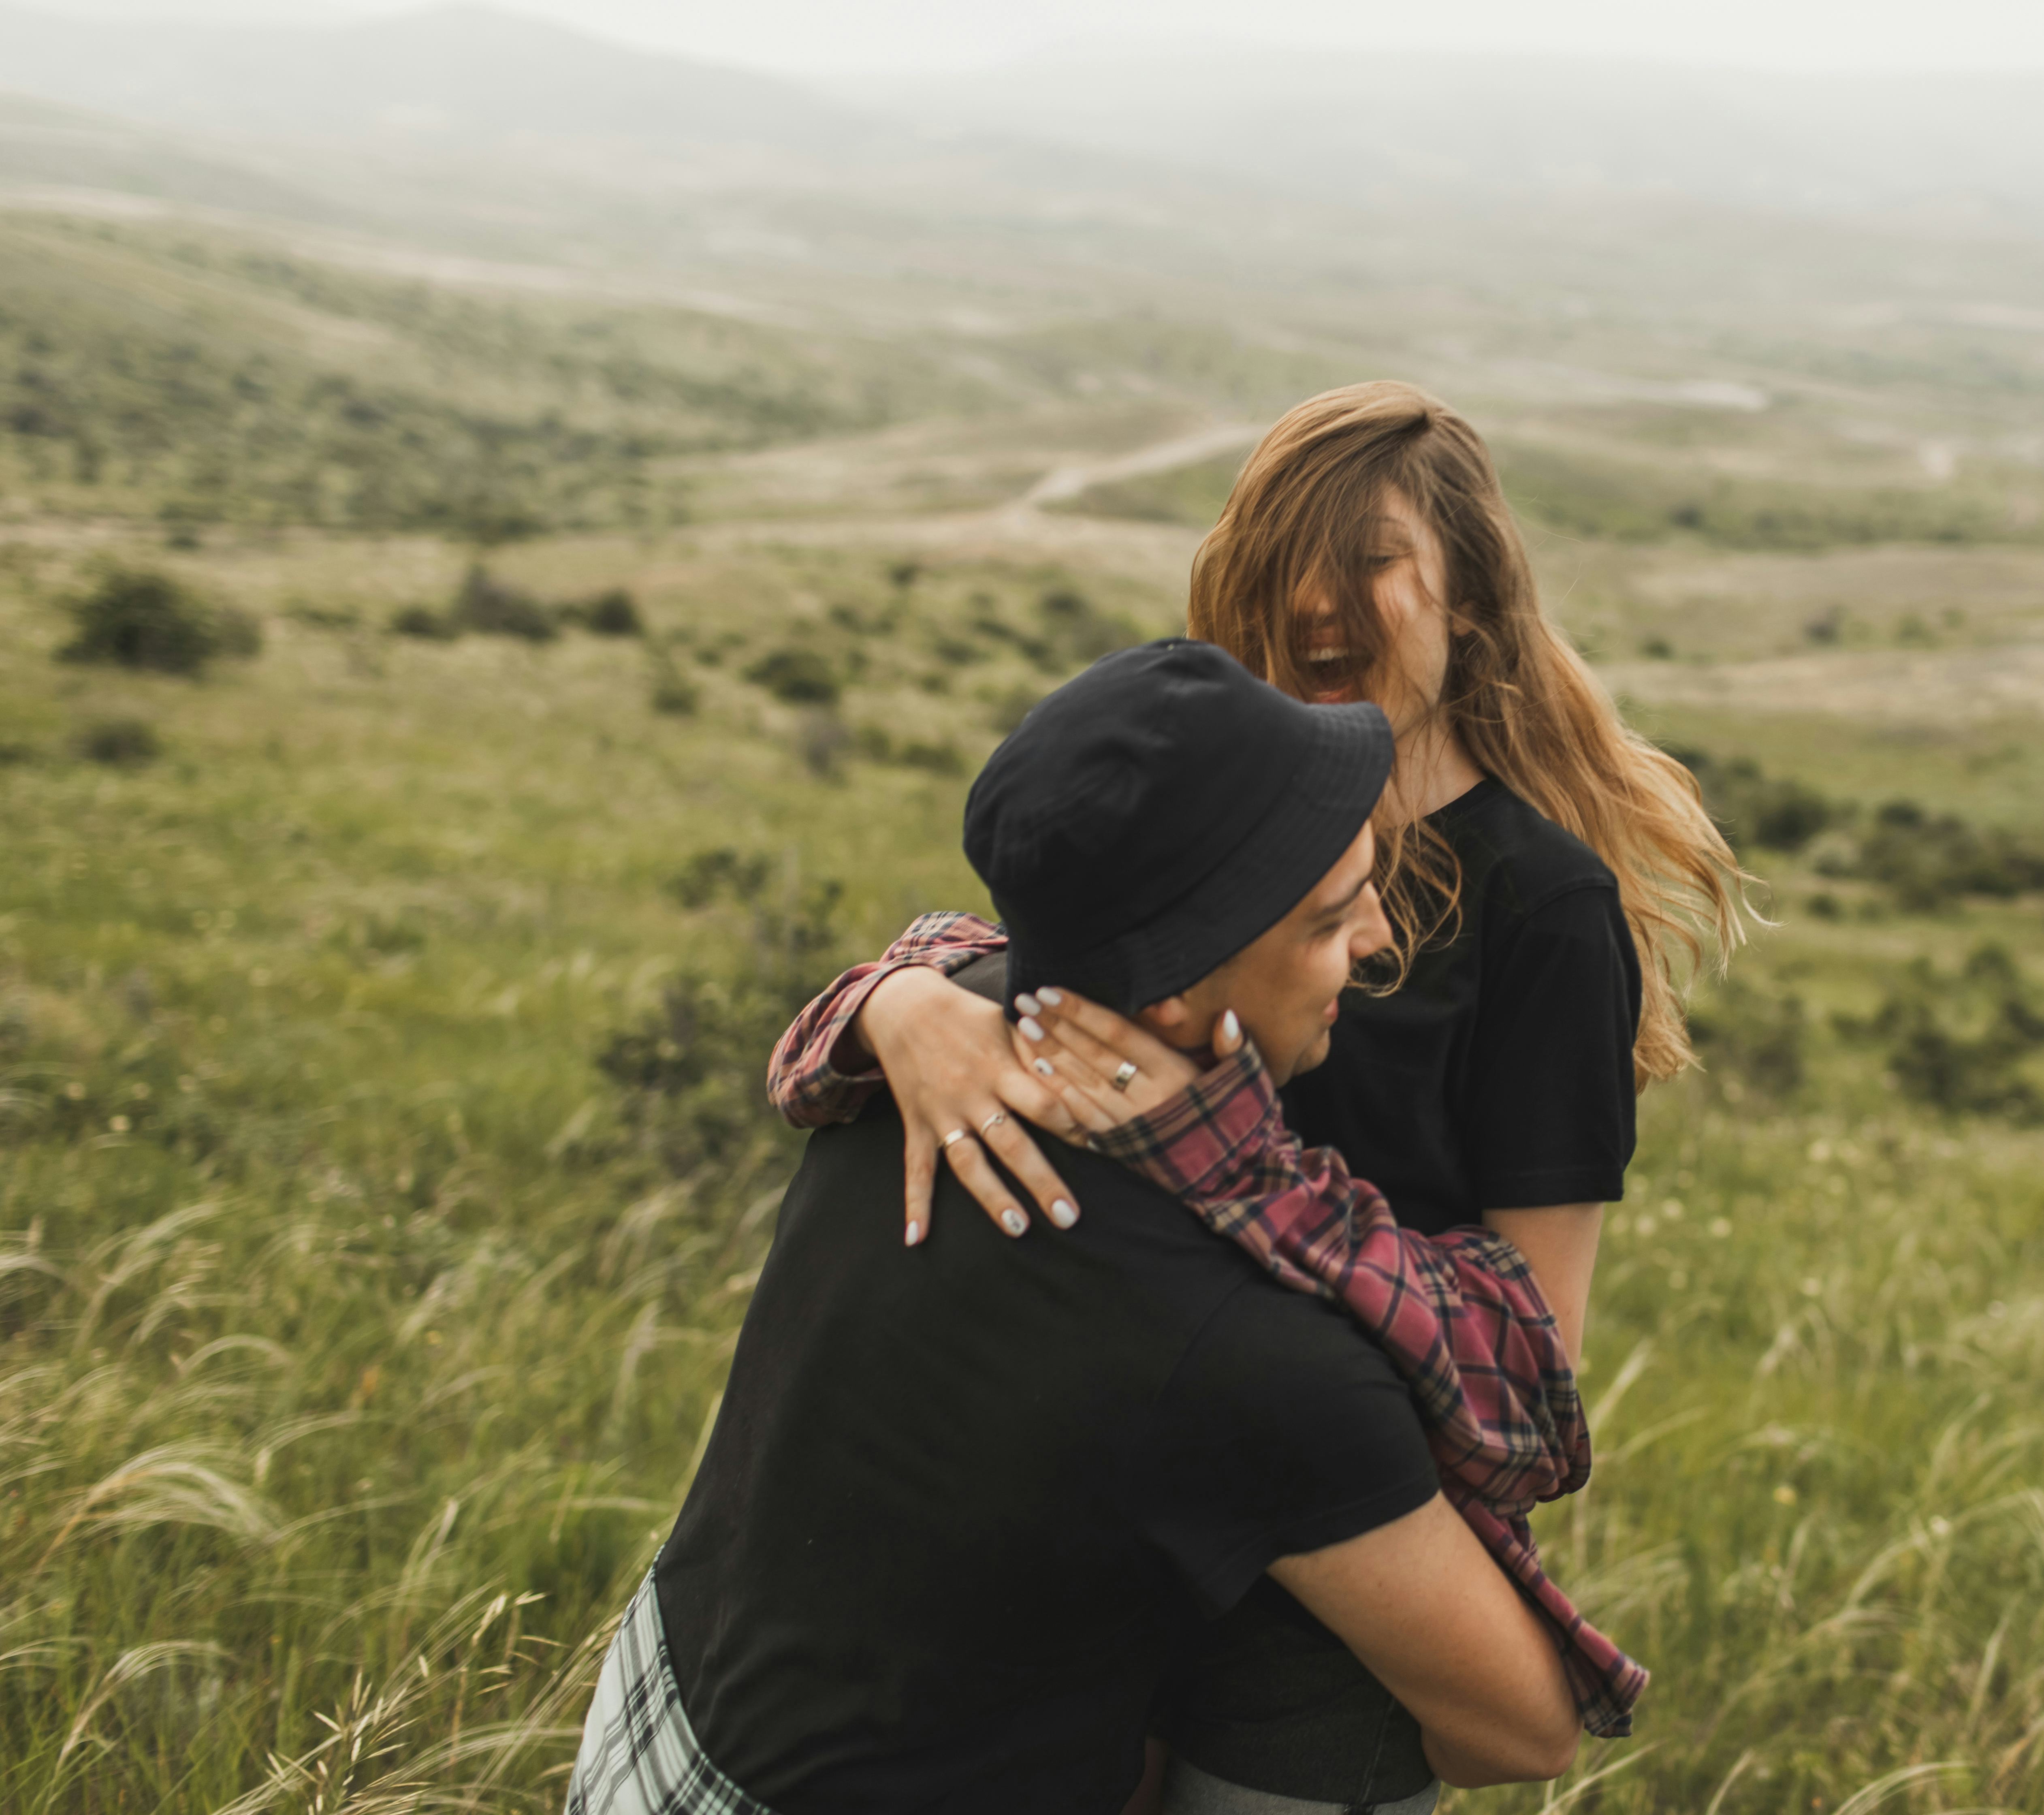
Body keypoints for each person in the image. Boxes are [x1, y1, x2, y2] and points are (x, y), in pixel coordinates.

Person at [768, 383, 1747, 1809]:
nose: (1316, 600)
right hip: (1104, 1516)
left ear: (1470, 597)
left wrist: (1253, 1228)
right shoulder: (1219, 812)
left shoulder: (1546, 906)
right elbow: (1043, 981)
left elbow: (1536, 1352)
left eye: (1372, 558)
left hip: (1325, 1579)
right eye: (1289, 552)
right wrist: (900, 1002)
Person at [566, 642, 1579, 1815]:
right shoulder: (1253, 1349)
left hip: (653, 1737)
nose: (1382, 943)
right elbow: (1524, 1724)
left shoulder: (920, 1057)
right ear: (1173, 999)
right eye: (1327, 921)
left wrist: (892, 995)